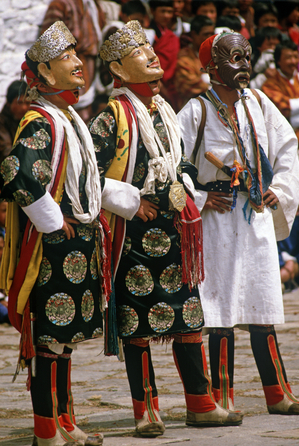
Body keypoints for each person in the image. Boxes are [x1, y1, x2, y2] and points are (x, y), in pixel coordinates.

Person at [91, 20, 243, 438]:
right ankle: (146, 410)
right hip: (136, 236)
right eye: (140, 51)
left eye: (150, 48)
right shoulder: (110, 118)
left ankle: (201, 403)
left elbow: (182, 162)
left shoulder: (164, 110)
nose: (153, 55)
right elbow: (90, 175)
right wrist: (130, 200)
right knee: (138, 327)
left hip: (175, 229)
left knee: (190, 320)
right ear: (119, 69)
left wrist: (187, 188)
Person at [178, 31, 299, 415]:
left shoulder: (259, 102)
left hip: (256, 217)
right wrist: (199, 198)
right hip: (217, 219)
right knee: (221, 308)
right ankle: (223, 398)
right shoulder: (195, 111)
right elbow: (172, 165)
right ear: (210, 66)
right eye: (234, 58)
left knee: (263, 303)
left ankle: (278, 393)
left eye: (247, 58)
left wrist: (279, 189)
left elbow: (287, 147)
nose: (244, 65)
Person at [0, 21, 105, 446]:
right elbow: (16, 172)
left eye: (77, 56)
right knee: (48, 339)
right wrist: (52, 220)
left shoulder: (68, 119)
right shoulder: (38, 120)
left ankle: (64, 422)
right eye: (67, 58)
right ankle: (46, 429)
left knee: (64, 341)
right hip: (53, 245)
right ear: (43, 72)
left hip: (75, 241)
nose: (79, 63)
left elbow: (87, 178)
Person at [40, 0, 106, 123]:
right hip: (71, 69)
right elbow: (48, 43)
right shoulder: (61, 4)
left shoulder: (94, 5)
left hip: (92, 70)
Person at [262, 40, 299, 149]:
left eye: (295, 57)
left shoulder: (298, 79)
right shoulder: (269, 85)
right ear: (278, 61)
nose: (293, 61)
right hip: (284, 142)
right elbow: (284, 110)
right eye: (288, 58)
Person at [174, 15, 214, 111]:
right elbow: (189, 86)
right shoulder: (184, 59)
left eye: (211, 34)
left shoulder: (217, 56)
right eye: (205, 34)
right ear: (193, 34)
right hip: (193, 110)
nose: (209, 38)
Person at [0, 80, 30, 164]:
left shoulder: (31, 121)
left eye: (27, 103)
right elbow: (6, 152)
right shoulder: (2, 123)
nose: (24, 107)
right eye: (19, 102)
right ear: (9, 103)